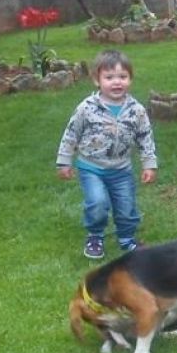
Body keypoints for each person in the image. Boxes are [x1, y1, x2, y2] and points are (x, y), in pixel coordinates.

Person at [56, 49, 158, 259]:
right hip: (91, 167)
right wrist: (64, 161)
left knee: (126, 205)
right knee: (97, 203)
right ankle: (95, 236)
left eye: (122, 77)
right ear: (97, 80)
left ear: (130, 79)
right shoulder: (87, 108)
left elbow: (145, 137)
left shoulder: (136, 110)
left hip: (121, 169)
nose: (116, 82)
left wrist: (149, 164)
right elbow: (71, 133)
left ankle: (127, 239)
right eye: (109, 77)